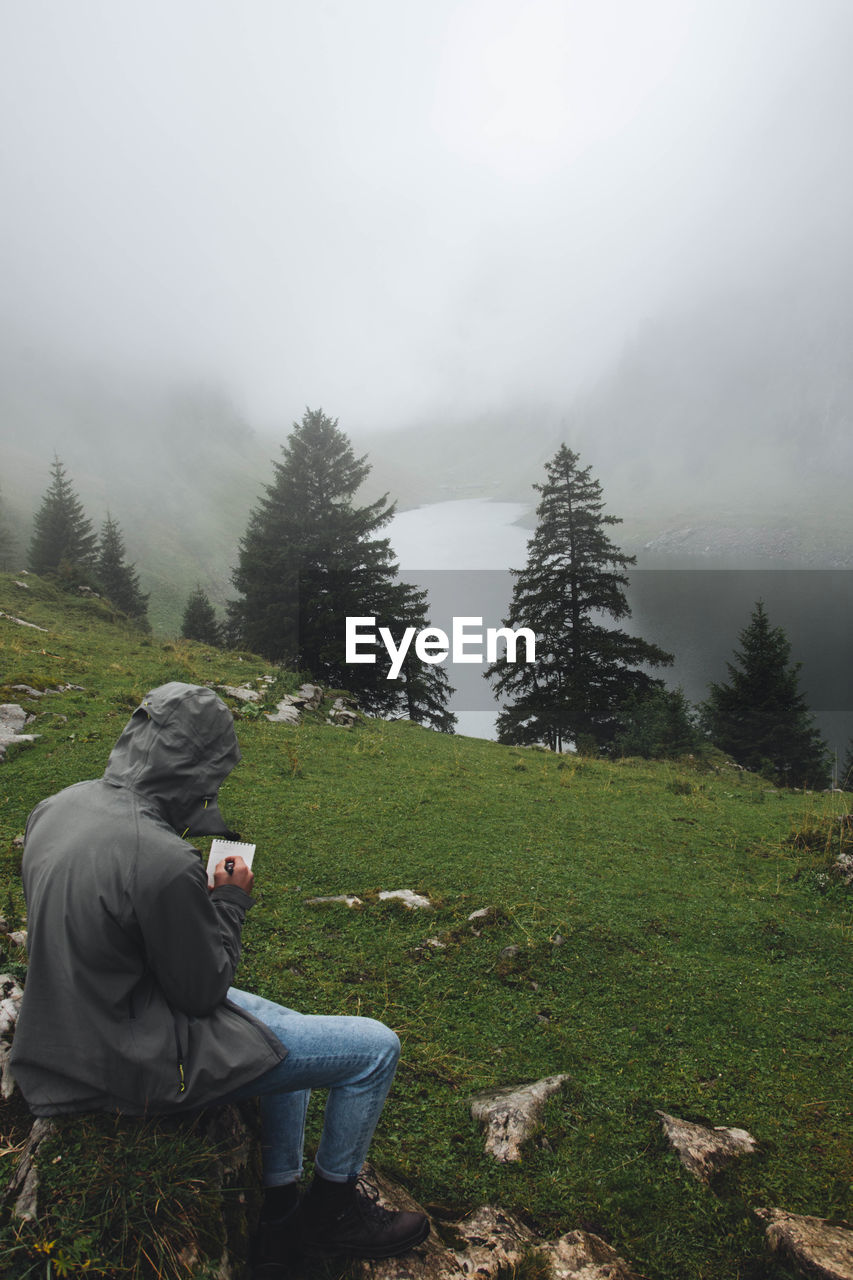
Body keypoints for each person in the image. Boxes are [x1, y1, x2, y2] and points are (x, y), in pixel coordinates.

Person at [9, 681, 429, 1274]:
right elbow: (202, 991)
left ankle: (280, 1209)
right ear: (194, 768)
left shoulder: (58, 806)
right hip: (129, 1061)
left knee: (287, 1030)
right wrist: (228, 901)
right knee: (376, 1050)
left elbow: (116, 928)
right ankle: (331, 1213)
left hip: (74, 1024)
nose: (215, 789)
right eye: (214, 775)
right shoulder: (160, 857)